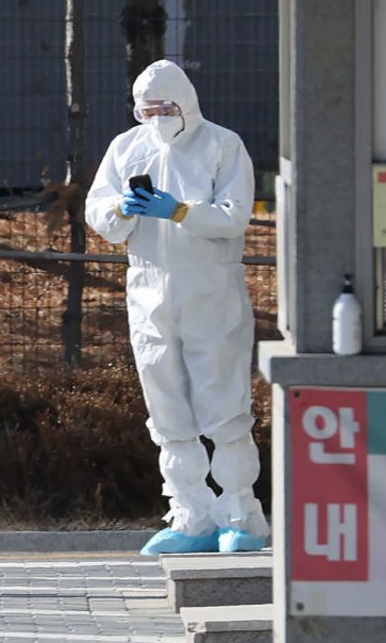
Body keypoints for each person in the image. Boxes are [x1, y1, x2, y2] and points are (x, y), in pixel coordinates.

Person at [85, 59, 269, 555]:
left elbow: (234, 218)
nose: (159, 117)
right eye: (148, 109)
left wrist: (182, 211)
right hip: (149, 293)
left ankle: (241, 515)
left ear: (187, 102)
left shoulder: (221, 144)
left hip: (211, 292)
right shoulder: (127, 147)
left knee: (224, 405)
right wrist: (123, 208)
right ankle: (191, 516)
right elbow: (97, 210)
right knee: (167, 409)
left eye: (167, 107)